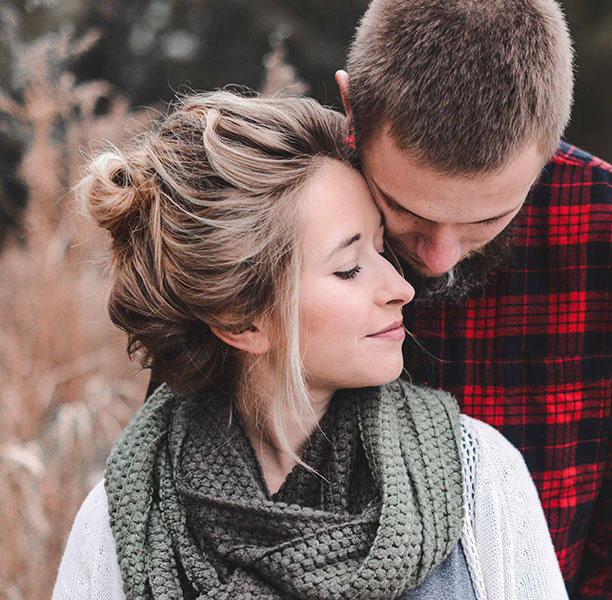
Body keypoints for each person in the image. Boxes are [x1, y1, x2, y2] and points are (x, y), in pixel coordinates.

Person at [52, 91, 568, 599]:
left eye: (382, 248)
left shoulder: (479, 479)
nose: (402, 288)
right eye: (348, 269)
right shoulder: (121, 525)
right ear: (242, 321)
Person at [334, 0, 612, 597]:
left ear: (550, 145)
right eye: (404, 208)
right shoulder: (272, 214)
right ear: (353, 110)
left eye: (487, 218)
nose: (438, 258)